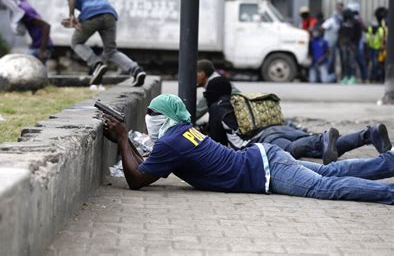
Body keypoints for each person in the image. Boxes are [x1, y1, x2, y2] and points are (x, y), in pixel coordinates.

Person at [102, 93, 394, 204]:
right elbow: (146, 167)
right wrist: (123, 140)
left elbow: (138, 179)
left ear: (164, 117)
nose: (148, 118)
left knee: (326, 188)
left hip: (267, 171)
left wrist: (124, 137)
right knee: (332, 172)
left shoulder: (171, 141)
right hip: (267, 157)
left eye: (151, 113)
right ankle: (389, 162)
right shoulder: (180, 133)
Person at [204, 76, 392, 165]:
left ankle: (323, 138)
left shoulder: (217, 107)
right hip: (280, 128)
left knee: (292, 150)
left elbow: (217, 144)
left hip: (264, 139)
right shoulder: (238, 101)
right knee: (323, 149)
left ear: (213, 93)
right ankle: (368, 134)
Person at [61, 0, 146, 86]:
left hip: (91, 15)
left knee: (76, 42)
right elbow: (95, 4)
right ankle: (136, 70)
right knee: (111, 51)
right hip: (109, 14)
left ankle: (97, 65)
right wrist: (78, 19)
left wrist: (71, 15)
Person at [0, 0, 53, 64]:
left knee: (27, 68)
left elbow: (46, 26)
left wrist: (42, 51)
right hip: (37, 45)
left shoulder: (23, 9)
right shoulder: (21, 7)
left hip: (40, 47)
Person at [365, 7, 388, 83]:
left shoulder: (381, 28)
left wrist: (382, 46)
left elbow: (383, 38)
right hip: (372, 48)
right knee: (374, 63)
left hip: (379, 48)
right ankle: (374, 78)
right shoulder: (371, 29)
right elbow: (368, 37)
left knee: (378, 63)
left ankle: (379, 78)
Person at [321, 2, 343, 76]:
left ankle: (332, 75)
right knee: (329, 59)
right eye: (338, 7)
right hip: (329, 43)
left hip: (336, 43)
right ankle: (327, 75)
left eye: (340, 7)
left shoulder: (341, 19)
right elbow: (323, 27)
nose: (339, 9)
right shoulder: (332, 19)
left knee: (334, 59)